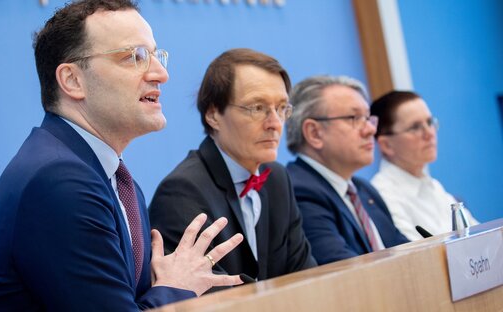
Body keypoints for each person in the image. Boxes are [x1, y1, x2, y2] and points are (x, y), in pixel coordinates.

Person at [0, 1, 245, 310]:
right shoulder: (59, 181)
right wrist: (176, 288)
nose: (161, 74)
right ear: (72, 80)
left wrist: (166, 284)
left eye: (156, 55)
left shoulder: (112, 178)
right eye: (134, 57)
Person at [149, 49, 317, 286]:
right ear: (213, 115)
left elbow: (305, 274)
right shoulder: (182, 191)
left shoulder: (277, 178)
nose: (274, 124)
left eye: (281, 109)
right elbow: (207, 294)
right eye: (257, 108)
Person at [284, 75, 409, 265]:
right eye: (355, 118)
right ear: (314, 133)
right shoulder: (297, 191)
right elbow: (343, 270)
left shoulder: (363, 189)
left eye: (368, 118)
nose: (370, 130)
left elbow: (405, 251)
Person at [370, 90, 478, 241]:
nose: (429, 133)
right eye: (415, 127)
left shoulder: (435, 187)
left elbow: (478, 238)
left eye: (429, 122)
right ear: (386, 145)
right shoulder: (382, 196)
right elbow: (417, 257)